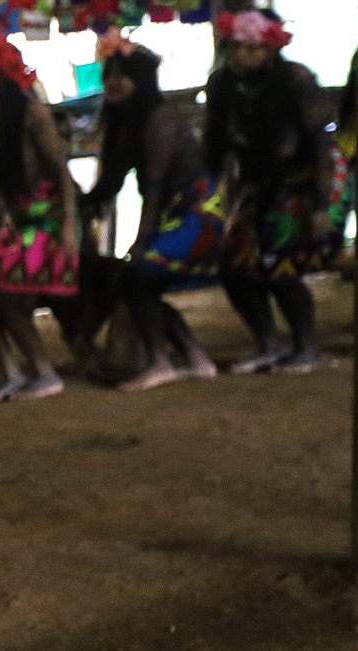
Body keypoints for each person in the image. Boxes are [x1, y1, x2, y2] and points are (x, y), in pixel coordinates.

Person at [205, 9, 345, 375]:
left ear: (270, 49)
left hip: (304, 179)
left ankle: (307, 346)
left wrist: (319, 203)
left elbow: (320, 143)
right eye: (236, 47)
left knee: (278, 265)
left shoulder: (296, 80)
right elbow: (217, 148)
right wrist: (220, 198)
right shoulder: (221, 84)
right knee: (232, 267)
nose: (243, 55)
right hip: (257, 184)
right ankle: (268, 342)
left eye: (252, 49)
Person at [0, 31, 81, 406]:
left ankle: (45, 373)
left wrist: (69, 226)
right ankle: (12, 373)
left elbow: (60, 172)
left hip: (49, 218)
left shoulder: (32, 112)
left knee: (6, 295)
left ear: (3, 78)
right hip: (19, 224)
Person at [83, 37, 222, 391]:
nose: (113, 82)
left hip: (199, 218)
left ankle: (161, 363)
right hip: (176, 216)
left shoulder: (159, 118)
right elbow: (113, 184)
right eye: (108, 75)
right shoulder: (127, 121)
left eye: (122, 75)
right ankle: (195, 358)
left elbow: (155, 190)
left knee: (138, 275)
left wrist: (141, 241)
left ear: (141, 80)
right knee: (135, 277)